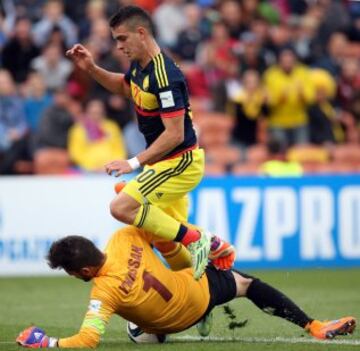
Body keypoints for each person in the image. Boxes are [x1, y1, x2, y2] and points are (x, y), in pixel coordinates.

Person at [16, 226, 356, 348]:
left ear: (86, 270)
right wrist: (183, 261)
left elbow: (88, 339)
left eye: (71, 272)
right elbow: (163, 231)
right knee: (248, 284)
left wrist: (48, 342)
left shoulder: (102, 293)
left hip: (172, 322)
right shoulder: (124, 236)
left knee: (138, 329)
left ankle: (153, 329)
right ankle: (313, 326)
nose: (73, 276)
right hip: (198, 290)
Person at [66, 6, 210, 280]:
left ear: (141, 33)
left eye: (122, 39)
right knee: (165, 240)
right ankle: (209, 287)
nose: (118, 46)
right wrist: (92, 68)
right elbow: (125, 87)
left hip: (178, 163)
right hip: (163, 163)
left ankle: (201, 240)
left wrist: (132, 162)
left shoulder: (165, 76)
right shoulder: (141, 67)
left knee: (122, 207)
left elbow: (175, 134)